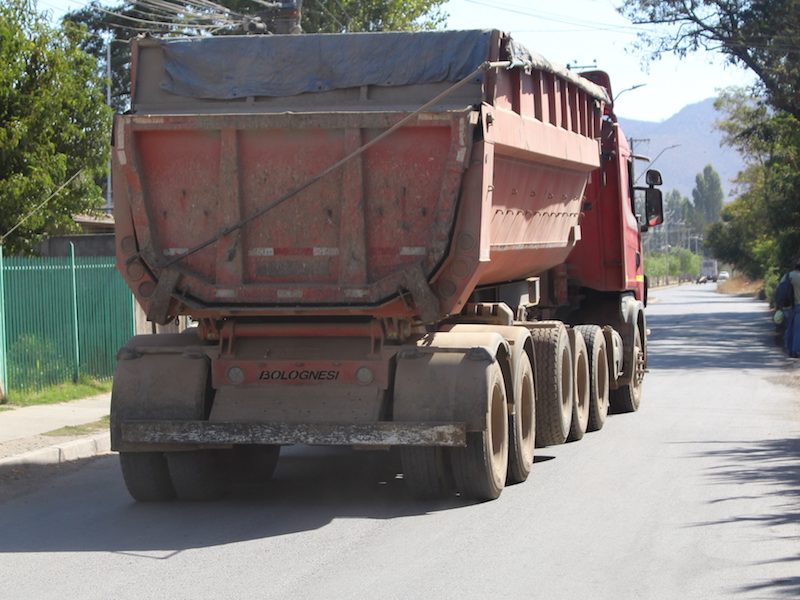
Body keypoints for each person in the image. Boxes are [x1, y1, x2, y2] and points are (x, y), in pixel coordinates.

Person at [783, 261, 800, 358]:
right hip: (798, 305)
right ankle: (796, 351)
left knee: (789, 328)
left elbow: (780, 290)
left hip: (787, 306)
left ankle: (788, 349)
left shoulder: (787, 275)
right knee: (798, 329)